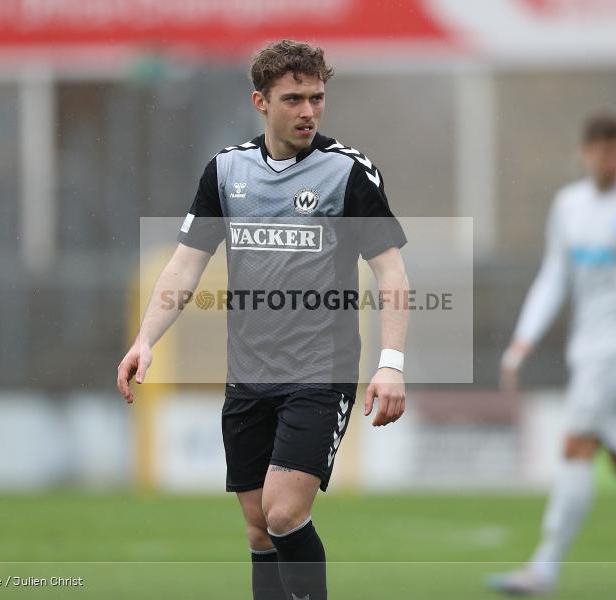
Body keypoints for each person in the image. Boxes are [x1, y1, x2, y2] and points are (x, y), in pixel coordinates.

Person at [117, 39, 409, 600]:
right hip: (248, 375)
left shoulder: (347, 172)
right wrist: (145, 339)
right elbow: (184, 266)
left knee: (282, 513)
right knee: (258, 529)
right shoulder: (227, 172)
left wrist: (391, 364)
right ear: (260, 101)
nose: (308, 111)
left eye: (317, 98)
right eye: (293, 98)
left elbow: (391, 273)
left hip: (319, 374)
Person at [490, 113, 616, 596]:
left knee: (576, 444)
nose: (613, 160)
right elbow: (555, 274)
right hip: (587, 348)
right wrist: (525, 337)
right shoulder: (569, 205)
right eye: (604, 150)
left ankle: (543, 569)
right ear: (587, 152)